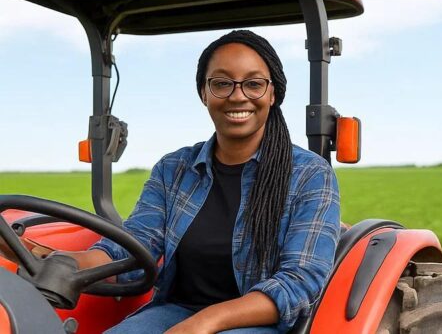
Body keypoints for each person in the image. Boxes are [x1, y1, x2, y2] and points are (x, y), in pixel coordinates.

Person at [1, 30, 341, 333]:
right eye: (221, 83)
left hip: (257, 322)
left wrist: (206, 323)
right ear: (204, 94)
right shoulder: (175, 168)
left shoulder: (309, 175)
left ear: (272, 94)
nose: (237, 96)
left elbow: (298, 283)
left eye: (253, 84)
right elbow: (132, 249)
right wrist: (46, 258)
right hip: (175, 312)